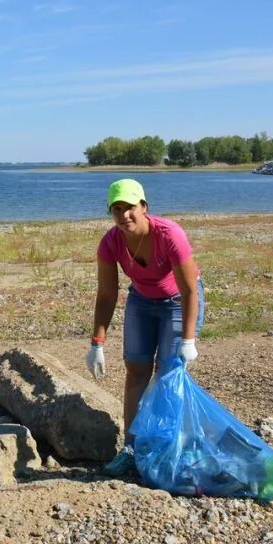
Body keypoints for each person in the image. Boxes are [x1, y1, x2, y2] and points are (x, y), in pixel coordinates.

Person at [87, 178, 205, 476]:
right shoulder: (110, 243)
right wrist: (97, 343)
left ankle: (166, 448)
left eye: (130, 207)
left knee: (167, 374)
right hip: (142, 300)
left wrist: (188, 339)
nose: (124, 214)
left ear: (144, 207)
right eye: (116, 209)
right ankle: (131, 447)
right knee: (136, 370)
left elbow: (190, 290)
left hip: (179, 301)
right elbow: (107, 294)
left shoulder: (169, 234)